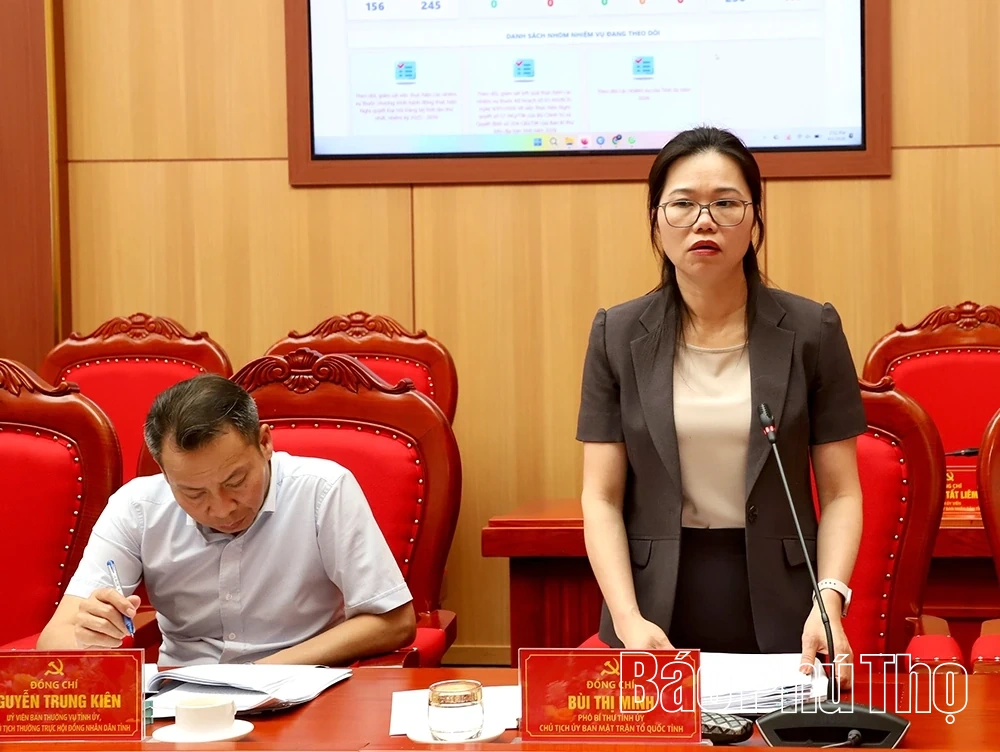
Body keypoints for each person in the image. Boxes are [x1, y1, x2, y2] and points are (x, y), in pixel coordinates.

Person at [576, 126, 864, 686]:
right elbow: (601, 497)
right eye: (683, 204)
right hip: (652, 608)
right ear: (656, 222)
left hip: (785, 605)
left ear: (754, 220)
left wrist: (828, 599)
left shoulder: (812, 330)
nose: (704, 221)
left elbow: (841, 493)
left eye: (726, 204)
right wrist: (629, 620)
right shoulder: (617, 334)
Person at [37, 374, 417, 666]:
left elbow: (394, 621)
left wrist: (261, 674)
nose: (221, 509)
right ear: (165, 474)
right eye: (194, 493)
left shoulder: (322, 490)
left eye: (236, 481)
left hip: (305, 688)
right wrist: (89, 633)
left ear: (265, 443)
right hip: (180, 705)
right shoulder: (137, 506)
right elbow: (53, 640)